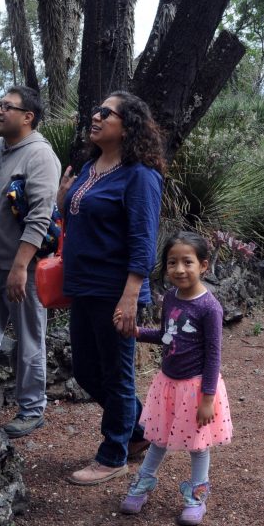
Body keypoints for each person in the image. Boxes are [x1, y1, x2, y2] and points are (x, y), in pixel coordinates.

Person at [57, 91, 164, 484]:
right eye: (96, 110)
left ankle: (113, 453)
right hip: (83, 287)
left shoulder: (140, 175)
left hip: (115, 290)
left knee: (116, 374)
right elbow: (77, 223)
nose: (96, 116)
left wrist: (132, 294)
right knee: (86, 372)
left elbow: (143, 239)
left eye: (107, 112)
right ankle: (137, 431)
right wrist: (62, 200)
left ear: (128, 125)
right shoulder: (89, 167)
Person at [0, 85, 61, 438]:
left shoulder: (40, 156)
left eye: (8, 106)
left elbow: (40, 217)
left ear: (27, 117)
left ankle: (32, 409)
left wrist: (21, 267)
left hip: (27, 268)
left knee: (29, 338)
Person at [117, 231, 233, 526]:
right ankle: (143, 484)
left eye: (187, 262)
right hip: (167, 385)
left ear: (203, 265)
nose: (179, 269)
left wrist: (207, 399)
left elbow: (213, 355)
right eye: (172, 262)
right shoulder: (170, 298)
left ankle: (196, 496)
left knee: (197, 445)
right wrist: (138, 333)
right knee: (157, 438)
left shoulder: (209, 308)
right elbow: (168, 335)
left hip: (195, 388)